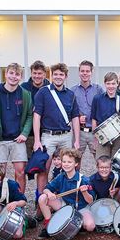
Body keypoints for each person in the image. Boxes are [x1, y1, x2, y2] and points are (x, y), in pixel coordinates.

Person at [33, 63, 81, 194]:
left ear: (65, 76)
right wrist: (37, 140)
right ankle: (40, 200)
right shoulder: (43, 92)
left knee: (69, 169)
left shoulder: (70, 94)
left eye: (61, 74)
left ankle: (67, 198)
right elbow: (36, 116)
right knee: (44, 169)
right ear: (51, 75)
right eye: (55, 74)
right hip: (48, 136)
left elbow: (75, 117)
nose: (58, 77)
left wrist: (77, 140)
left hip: (66, 136)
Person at [0, 63, 33, 193]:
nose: (13, 76)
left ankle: (20, 202)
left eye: (17, 74)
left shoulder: (25, 94)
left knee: (21, 172)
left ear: (21, 77)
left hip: (18, 139)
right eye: (11, 73)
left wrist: (24, 133)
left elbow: (29, 115)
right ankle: (0, 202)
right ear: (6, 74)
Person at [37, 148, 95, 239]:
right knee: (42, 198)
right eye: (64, 162)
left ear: (76, 164)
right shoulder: (61, 177)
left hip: (80, 208)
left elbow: (90, 200)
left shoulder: (84, 180)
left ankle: (78, 224)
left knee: (90, 226)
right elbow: (46, 189)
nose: (66, 164)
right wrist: (49, 193)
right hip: (65, 206)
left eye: (69, 162)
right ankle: (48, 225)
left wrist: (84, 192)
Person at [91, 72, 120, 158]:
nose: (111, 86)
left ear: (117, 84)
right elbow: (94, 119)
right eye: (108, 83)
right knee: (101, 161)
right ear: (104, 84)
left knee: (115, 162)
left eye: (113, 83)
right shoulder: (97, 99)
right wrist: (95, 138)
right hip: (102, 135)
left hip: (118, 136)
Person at [72, 60, 103, 157]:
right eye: (82, 71)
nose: (85, 73)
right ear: (79, 72)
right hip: (79, 132)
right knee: (75, 161)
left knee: (99, 160)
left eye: (87, 71)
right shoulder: (72, 91)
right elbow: (69, 112)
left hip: (95, 133)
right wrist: (77, 117)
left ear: (91, 72)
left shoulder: (98, 90)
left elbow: (103, 109)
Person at [20, 60, 50, 156]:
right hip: (28, 133)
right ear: (31, 73)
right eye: (34, 73)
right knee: (28, 163)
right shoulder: (23, 88)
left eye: (40, 73)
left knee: (42, 162)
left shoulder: (50, 88)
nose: (37, 76)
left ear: (45, 74)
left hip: (45, 132)